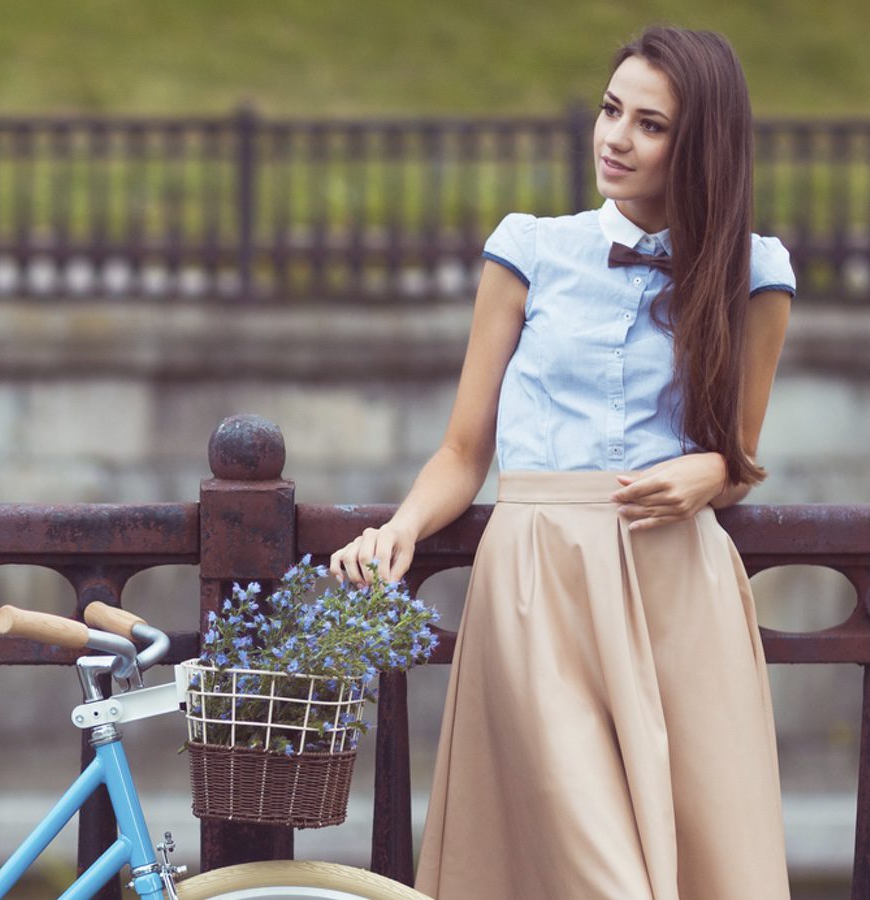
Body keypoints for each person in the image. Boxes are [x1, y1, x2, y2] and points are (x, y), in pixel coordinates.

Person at [328, 25, 797, 900]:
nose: (615, 138)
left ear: (701, 147)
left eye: (649, 125)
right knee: (601, 878)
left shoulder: (754, 275)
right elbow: (465, 450)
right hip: (538, 583)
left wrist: (711, 473)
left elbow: (740, 456)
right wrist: (401, 528)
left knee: (699, 868)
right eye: (611, 109)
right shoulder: (530, 252)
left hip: (675, 589)